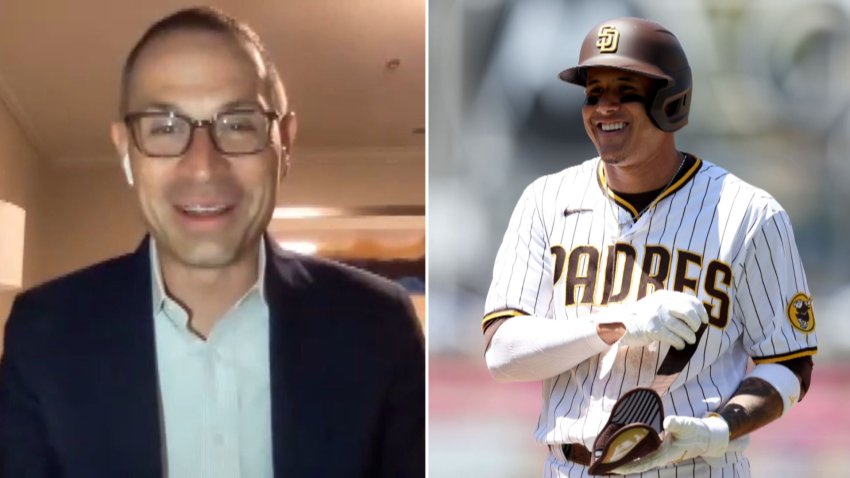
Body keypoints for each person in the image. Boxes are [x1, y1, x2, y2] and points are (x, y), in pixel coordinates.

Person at [0, 7, 424, 477]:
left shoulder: (379, 327)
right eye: (164, 128)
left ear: (284, 143)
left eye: (238, 124)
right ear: (126, 153)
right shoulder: (43, 335)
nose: (203, 166)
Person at [482, 17, 816, 477]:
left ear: (670, 101)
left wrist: (719, 429)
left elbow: (790, 363)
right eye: (594, 92)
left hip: (696, 467)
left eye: (624, 90)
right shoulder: (545, 201)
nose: (605, 107)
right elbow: (503, 354)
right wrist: (613, 325)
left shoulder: (750, 214)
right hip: (572, 467)